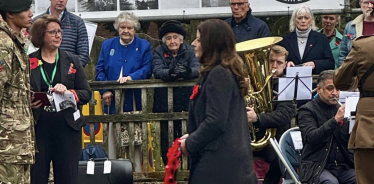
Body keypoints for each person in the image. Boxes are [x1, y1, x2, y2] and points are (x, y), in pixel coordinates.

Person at [179, 19, 257, 184]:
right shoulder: (218, 73)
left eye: (199, 40)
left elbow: (216, 121)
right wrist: (192, 135)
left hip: (220, 167)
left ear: (211, 44)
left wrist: (191, 142)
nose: (193, 44)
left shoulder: (218, 74)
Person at [28, 15, 92, 184]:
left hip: (67, 127)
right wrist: (29, 102)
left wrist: (69, 92)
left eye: (59, 31)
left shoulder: (72, 60)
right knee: (37, 177)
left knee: (67, 178)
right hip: (39, 128)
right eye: (53, 32)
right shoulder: (29, 61)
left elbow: (86, 93)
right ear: (41, 35)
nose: (58, 35)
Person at [152, 20, 200, 165]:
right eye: (168, 38)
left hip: (187, 102)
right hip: (164, 103)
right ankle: (170, 169)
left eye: (175, 37)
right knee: (167, 140)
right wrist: (171, 72)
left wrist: (187, 72)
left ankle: (190, 169)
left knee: (189, 136)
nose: (172, 41)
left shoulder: (190, 50)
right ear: (164, 41)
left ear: (181, 39)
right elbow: (157, 70)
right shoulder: (158, 51)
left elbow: (197, 68)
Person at [247, 45, 296, 184]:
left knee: (277, 164)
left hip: (275, 140)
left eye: (279, 62)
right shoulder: (251, 83)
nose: (274, 66)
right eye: (271, 61)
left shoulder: (286, 84)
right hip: (251, 139)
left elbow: (284, 115)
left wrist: (257, 118)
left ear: (285, 64)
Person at [298, 70, 355, 184]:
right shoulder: (307, 110)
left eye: (338, 89)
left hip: (343, 166)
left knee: (365, 177)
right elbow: (311, 137)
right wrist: (335, 120)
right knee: (331, 182)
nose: (335, 93)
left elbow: (348, 140)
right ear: (319, 90)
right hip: (317, 166)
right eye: (330, 88)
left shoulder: (341, 108)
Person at [0, 0, 34, 183]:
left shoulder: (16, 41)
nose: (31, 13)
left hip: (17, 142)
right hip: (6, 143)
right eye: (25, 9)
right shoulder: (3, 44)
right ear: (10, 14)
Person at [334, 33, 374, 183]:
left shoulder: (363, 45)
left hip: (369, 123)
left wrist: (358, 79)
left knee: (366, 179)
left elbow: (340, 81)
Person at [96, 12, 152, 114]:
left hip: (134, 98)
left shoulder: (144, 45)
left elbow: (147, 68)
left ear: (135, 29)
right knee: (111, 128)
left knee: (135, 129)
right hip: (111, 99)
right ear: (118, 28)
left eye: (129, 28)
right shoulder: (107, 45)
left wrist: (131, 78)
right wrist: (105, 90)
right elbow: (100, 69)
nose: (126, 31)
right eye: (122, 27)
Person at [278, 5, 334, 74]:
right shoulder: (285, 40)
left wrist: (315, 64)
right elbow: (278, 62)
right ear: (294, 20)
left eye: (306, 18)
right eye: (300, 18)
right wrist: (286, 64)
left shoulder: (321, 39)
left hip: (315, 82)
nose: (303, 21)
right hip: (292, 81)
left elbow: (330, 63)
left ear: (311, 21)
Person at [33, 0, 90, 67]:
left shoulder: (77, 22)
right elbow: (31, 50)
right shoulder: (36, 22)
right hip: (43, 72)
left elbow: (84, 55)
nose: (61, 0)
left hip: (70, 73)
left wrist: (70, 70)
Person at [338, 0, 374, 67]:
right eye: (366, 3)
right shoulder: (350, 26)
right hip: (356, 71)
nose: (369, 6)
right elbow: (343, 54)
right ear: (360, 4)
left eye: (372, 3)